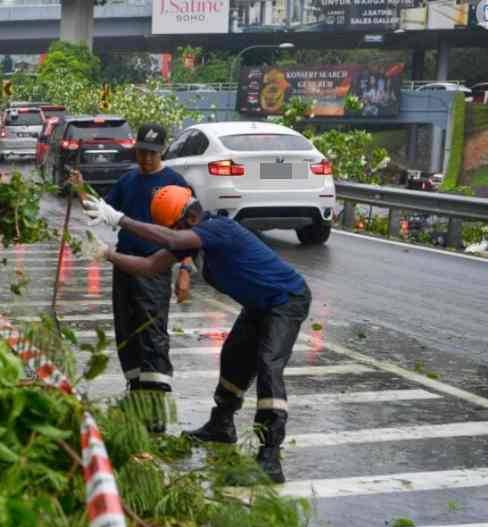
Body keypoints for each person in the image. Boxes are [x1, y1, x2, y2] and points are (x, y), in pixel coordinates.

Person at [80, 186, 312, 483]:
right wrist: (107, 254)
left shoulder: (219, 228)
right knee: (233, 359)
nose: (171, 233)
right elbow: (150, 266)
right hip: (258, 305)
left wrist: (120, 219)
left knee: (268, 365)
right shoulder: (191, 241)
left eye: (173, 226)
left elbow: (173, 240)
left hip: (286, 300)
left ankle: (270, 456)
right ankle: (222, 425)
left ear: (188, 217)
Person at [71, 124, 194, 432]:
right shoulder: (128, 180)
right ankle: (137, 396)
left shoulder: (175, 184)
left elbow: (187, 235)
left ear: (162, 151)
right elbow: (101, 211)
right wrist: (81, 189)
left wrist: (184, 271)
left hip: (154, 269)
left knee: (151, 335)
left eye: (152, 153)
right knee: (127, 332)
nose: (146, 158)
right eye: (141, 152)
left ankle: (155, 411)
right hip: (125, 266)